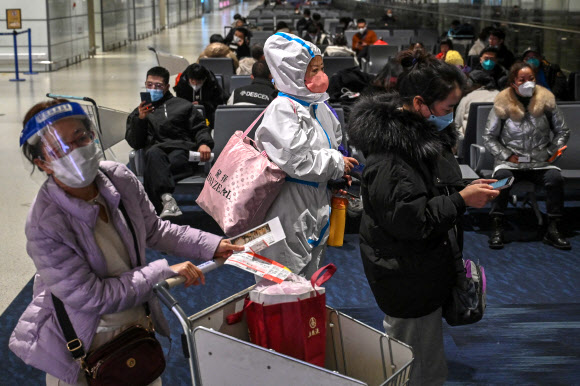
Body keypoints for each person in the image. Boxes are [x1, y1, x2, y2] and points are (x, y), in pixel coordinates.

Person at [10, 99, 244, 385]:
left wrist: (210, 244)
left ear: (93, 136)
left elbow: (154, 229)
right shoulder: (43, 223)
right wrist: (163, 272)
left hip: (136, 326)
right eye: (60, 149)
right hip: (85, 343)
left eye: (80, 138)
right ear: (42, 163)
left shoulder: (118, 178)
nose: (75, 152)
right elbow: (92, 296)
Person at [349, 50, 499, 386]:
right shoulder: (392, 159)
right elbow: (412, 221)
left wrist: (463, 189)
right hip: (405, 275)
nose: (450, 117)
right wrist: (462, 200)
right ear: (420, 104)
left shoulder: (418, 142)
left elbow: (428, 191)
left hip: (420, 269)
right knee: (411, 363)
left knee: (425, 355)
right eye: (447, 109)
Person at [255, 32, 358, 278]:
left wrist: (338, 176)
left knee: (311, 276)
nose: (321, 75)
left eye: (321, 68)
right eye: (312, 70)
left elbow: (335, 144)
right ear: (291, 73)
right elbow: (297, 160)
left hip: (316, 200)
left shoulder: (319, 106)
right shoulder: (282, 110)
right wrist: (337, 164)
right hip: (287, 204)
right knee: (280, 278)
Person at [483, 62, 571, 250]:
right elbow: (489, 137)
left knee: (555, 179)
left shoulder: (547, 102)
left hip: (540, 162)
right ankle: (497, 225)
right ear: (513, 82)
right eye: (522, 79)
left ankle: (554, 229)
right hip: (511, 163)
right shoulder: (502, 104)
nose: (527, 83)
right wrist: (507, 155)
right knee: (501, 180)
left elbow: (563, 132)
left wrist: (550, 153)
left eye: (531, 79)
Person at [126, 66, 214, 217]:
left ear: (166, 87)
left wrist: (204, 143)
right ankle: (167, 199)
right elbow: (135, 143)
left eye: (158, 86)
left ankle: (155, 213)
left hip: (181, 152)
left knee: (153, 169)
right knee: (153, 154)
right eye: (149, 85)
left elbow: (200, 127)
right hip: (155, 155)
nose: (153, 88)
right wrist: (140, 120)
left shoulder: (183, 106)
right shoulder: (139, 112)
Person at [174, 63, 229, 129]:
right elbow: (179, 103)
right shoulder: (183, 83)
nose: (195, 85)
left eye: (198, 82)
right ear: (188, 79)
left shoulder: (211, 83)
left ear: (204, 79)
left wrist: (202, 104)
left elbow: (218, 102)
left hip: (208, 113)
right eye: (192, 82)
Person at [454, 70, 500, 140]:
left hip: (469, 141)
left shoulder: (467, 98)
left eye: (469, 81)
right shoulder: (500, 95)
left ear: (478, 84)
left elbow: (457, 123)